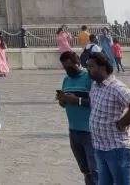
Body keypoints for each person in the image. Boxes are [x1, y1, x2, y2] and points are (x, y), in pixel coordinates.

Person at [86, 52, 130, 185]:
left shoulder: (117, 87)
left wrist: (123, 122)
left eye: (91, 66)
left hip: (118, 149)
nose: (87, 69)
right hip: (101, 147)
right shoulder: (95, 85)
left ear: (102, 68)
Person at [57, 50, 98, 185]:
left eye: (70, 67)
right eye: (65, 68)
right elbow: (65, 105)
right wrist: (62, 100)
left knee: (95, 169)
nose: (68, 70)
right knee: (85, 168)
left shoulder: (89, 78)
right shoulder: (66, 80)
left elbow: (97, 102)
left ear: (78, 63)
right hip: (73, 130)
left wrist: (78, 100)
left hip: (89, 131)